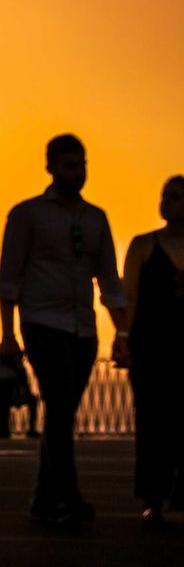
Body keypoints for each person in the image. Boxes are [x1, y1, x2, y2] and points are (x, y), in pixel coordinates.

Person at [0, 133, 128, 526]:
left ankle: (43, 496)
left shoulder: (95, 219)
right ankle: (69, 495)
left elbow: (109, 281)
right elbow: (9, 279)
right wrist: (8, 335)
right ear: (51, 167)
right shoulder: (27, 215)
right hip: (42, 323)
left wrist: (122, 334)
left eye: (82, 164)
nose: (77, 172)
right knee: (60, 406)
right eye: (70, 165)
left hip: (82, 329)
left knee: (61, 411)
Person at [121, 175, 184, 525]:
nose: (167, 202)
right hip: (151, 348)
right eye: (164, 196)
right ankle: (153, 497)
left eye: (174, 197)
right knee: (151, 423)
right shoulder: (144, 245)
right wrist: (123, 337)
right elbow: (128, 294)